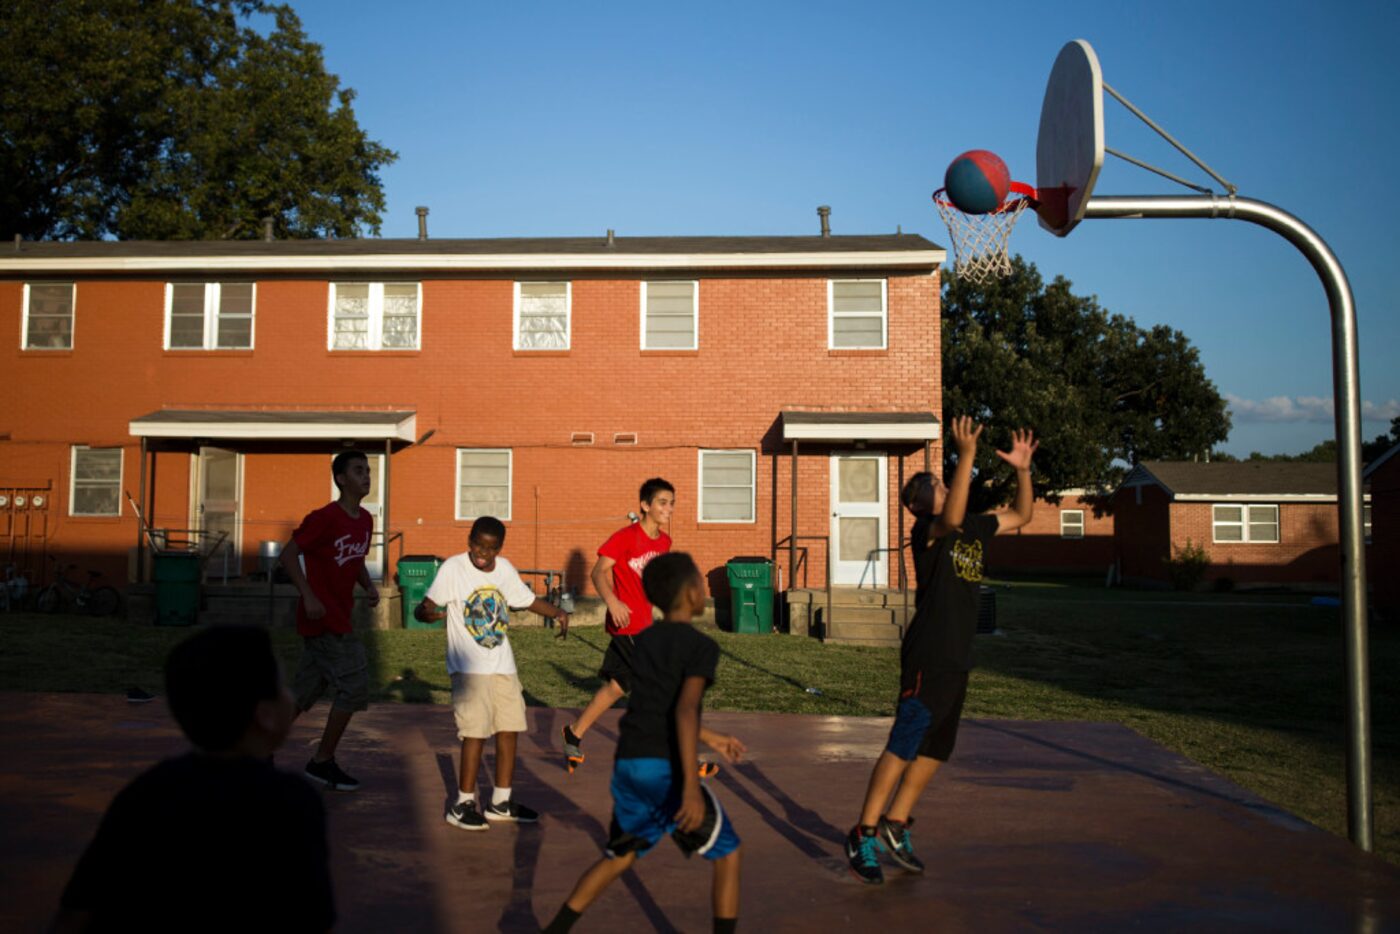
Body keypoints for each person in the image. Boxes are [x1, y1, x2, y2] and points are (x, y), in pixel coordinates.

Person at [845, 416, 1038, 885]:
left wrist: (1024, 470)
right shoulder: (929, 531)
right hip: (928, 655)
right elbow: (950, 515)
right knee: (905, 742)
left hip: (956, 657)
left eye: (939, 479)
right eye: (932, 482)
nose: (939, 484)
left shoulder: (975, 526)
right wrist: (966, 452)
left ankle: (896, 823)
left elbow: (1023, 515)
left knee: (936, 749)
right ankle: (863, 832)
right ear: (916, 505)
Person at [51, 626, 334, 932]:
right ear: (265, 715)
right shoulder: (293, 802)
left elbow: (77, 911)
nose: (290, 695)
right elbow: (313, 916)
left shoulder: (144, 794)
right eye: (281, 686)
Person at [544, 552, 746, 934]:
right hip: (665, 772)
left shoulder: (645, 641)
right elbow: (684, 713)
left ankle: (555, 930)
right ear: (690, 594)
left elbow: (662, 708)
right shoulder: (702, 648)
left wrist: (713, 737)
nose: (704, 588)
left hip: (629, 768)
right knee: (729, 854)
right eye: (701, 583)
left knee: (619, 856)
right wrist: (689, 787)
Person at [415, 516, 570, 831]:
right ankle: (462, 804)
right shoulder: (453, 569)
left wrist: (557, 612)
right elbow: (425, 607)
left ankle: (500, 801)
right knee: (475, 733)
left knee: (509, 729)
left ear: (500, 547)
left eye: (490, 547)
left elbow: (525, 600)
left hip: (503, 665)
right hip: (469, 669)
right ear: (469, 540)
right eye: (477, 544)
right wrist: (426, 612)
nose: (482, 552)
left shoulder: (504, 570)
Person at [279, 449, 380, 792]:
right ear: (341, 479)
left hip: (341, 616)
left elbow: (355, 558)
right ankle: (321, 761)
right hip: (322, 620)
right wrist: (308, 596)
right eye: (358, 470)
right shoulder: (323, 517)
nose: (366, 475)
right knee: (354, 686)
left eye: (368, 470)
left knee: (304, 691)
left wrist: (367, 586)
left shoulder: (365, 519)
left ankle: (255, 746)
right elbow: (288, 554)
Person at [561, 478, 675, 775]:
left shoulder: (664, 542)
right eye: (663, 502)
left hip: (645, 625)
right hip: (626, 623)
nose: (669, 508)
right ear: (645, 505)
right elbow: (599, 571)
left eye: (672, 503)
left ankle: (574, 732)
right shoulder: (625, 537)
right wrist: (612, 601)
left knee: (616, 687)